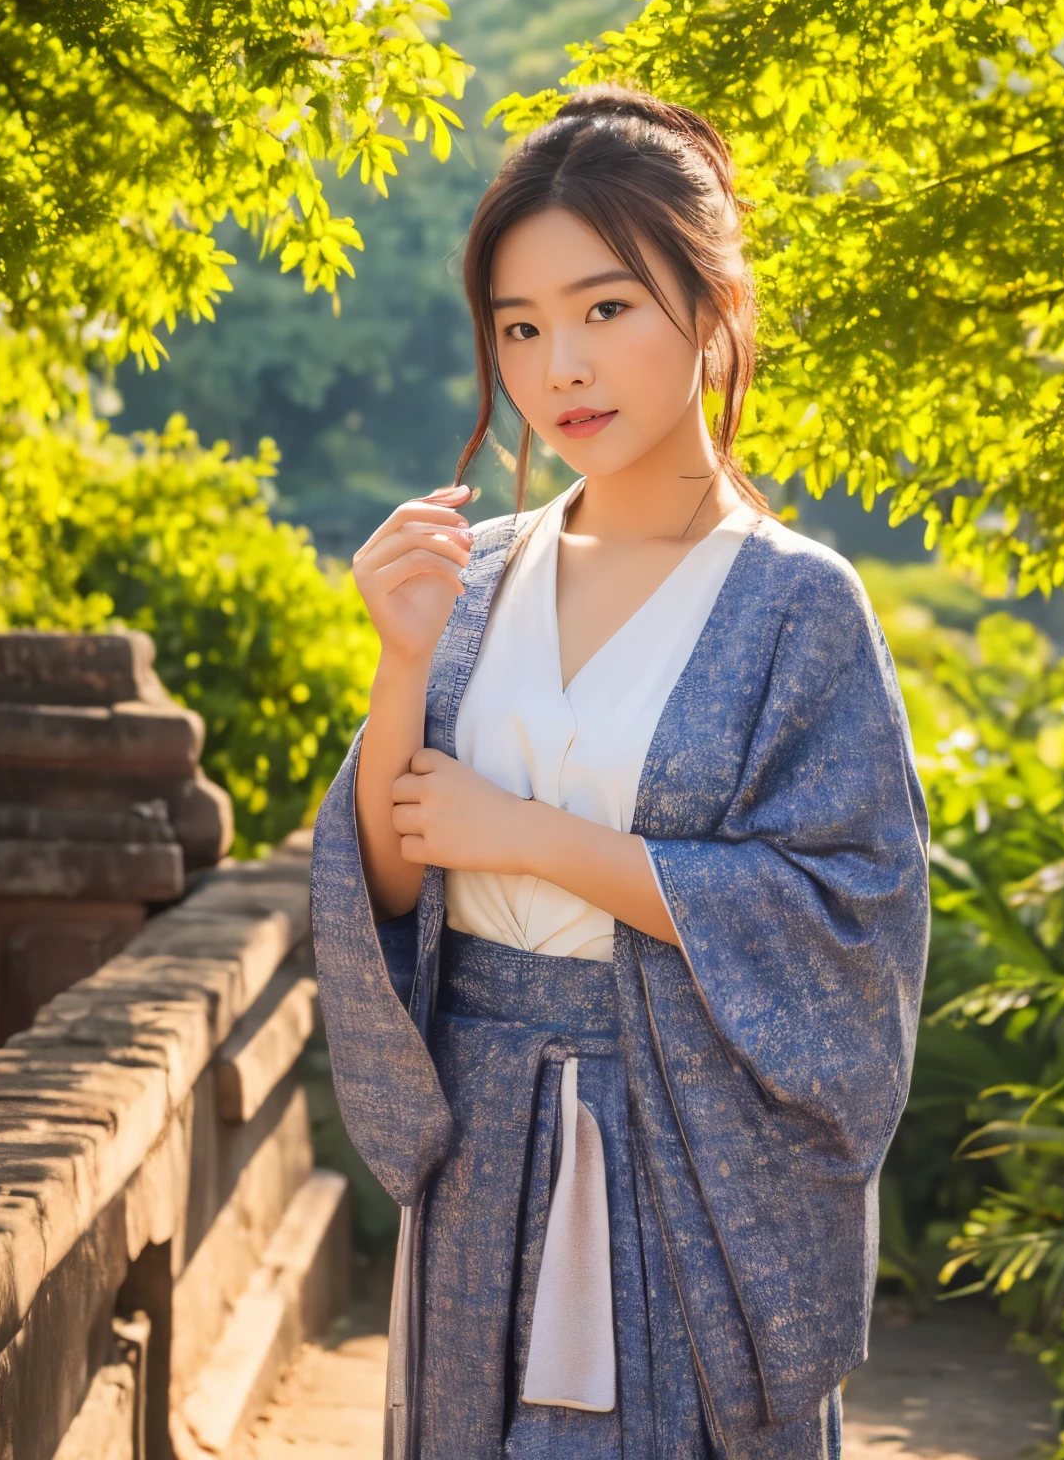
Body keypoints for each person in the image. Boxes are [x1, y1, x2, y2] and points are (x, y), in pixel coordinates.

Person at [310, 84, 930, 1460]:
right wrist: (401, 663)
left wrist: (525, 832)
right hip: (484, 1137)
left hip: (689, 1145)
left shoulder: (797, 607)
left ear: (710, 304)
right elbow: (392, 879)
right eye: (520, 328)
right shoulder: (474, 575)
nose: (560, 367)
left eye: (605, 310)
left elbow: (846, 925)